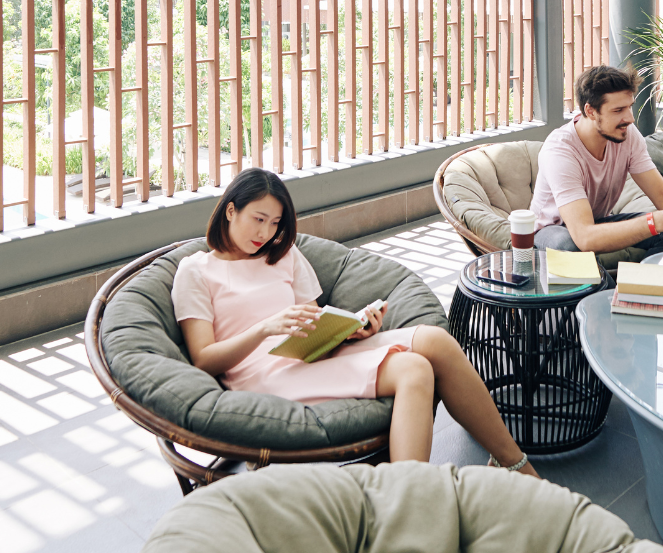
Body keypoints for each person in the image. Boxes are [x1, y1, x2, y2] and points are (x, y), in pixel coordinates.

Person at [173, 168, 540, 476]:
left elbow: (313, 326)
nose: (265, 233)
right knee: (413, 369)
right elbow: (204, 358)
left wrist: (353, 330)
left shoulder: (284, 255)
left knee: (435, 341)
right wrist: (265, 328)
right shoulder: (197, 270)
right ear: (230, 210)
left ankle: (512, 461)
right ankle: (409, 503)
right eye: (258, 219)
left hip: (306, 357)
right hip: (262, 375)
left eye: (274, 223)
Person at [532, 64, 663, 255]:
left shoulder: (627, 134)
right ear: (590, 111)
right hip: (551, 231)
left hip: (595, 223)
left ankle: (652, 286)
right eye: (618, 111)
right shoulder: (561, 151)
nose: (630, 118)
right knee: (569, 246)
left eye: (629, 107)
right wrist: (658, 221)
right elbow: (584, 238)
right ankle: (615, 289)